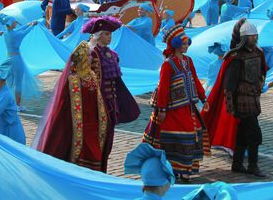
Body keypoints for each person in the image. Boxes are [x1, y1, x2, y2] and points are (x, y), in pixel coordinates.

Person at [143, 24, 210, 183]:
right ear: (176, 44)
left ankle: (186, 170)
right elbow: (164, 87)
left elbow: (195, 81)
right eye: (184, 43)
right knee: (180, 137)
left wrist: (203, 98)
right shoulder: (168, 64)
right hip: (173, 110)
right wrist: (162, 108)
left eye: (188, 43)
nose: (187, 46)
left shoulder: (188, 61)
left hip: (188, 107)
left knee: (192, 134)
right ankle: (176, 169)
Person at [33, 41, 110, 171]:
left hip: (93, 123)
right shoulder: (73, 79)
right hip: (77, 125)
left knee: (94, 153)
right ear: (82, 59)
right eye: (88, 56)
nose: (91, 59)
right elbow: (65, 105)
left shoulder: (91, 75)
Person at [82, 16, 141, 172]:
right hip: (97, 103)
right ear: (98, 35)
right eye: (107, 34)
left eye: (110, 34)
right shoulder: (92, 54)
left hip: (111, 102)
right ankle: (94, 168)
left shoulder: (111, 54)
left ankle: (103, 167)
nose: (110, 37)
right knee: (97, 136)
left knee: (108, 137)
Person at [214, 18, 267, 177]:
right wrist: (231, 106)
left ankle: (237, 164)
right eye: (252, 36)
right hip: (241, 102)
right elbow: (229, 85)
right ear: (245, 38)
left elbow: (262, 73)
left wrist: (259, 86)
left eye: (256, 35)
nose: (255, 38)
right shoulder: (236, 57)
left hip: (254, 99)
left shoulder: (258, 53)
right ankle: (252, 165)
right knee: (255, 134)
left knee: (243, 134)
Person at [0, 14, 39, 111]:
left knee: (9, 82)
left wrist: (28, 24)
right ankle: (17, 104)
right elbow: (24, 32)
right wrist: (32, 25)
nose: (16, 23)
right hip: (16, 59)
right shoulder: (15, 34)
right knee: (18, 82)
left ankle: (7, 102)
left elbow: (19, 30)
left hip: (8, 58)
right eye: (14, 22)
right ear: (11, 24)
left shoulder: (6, 33)